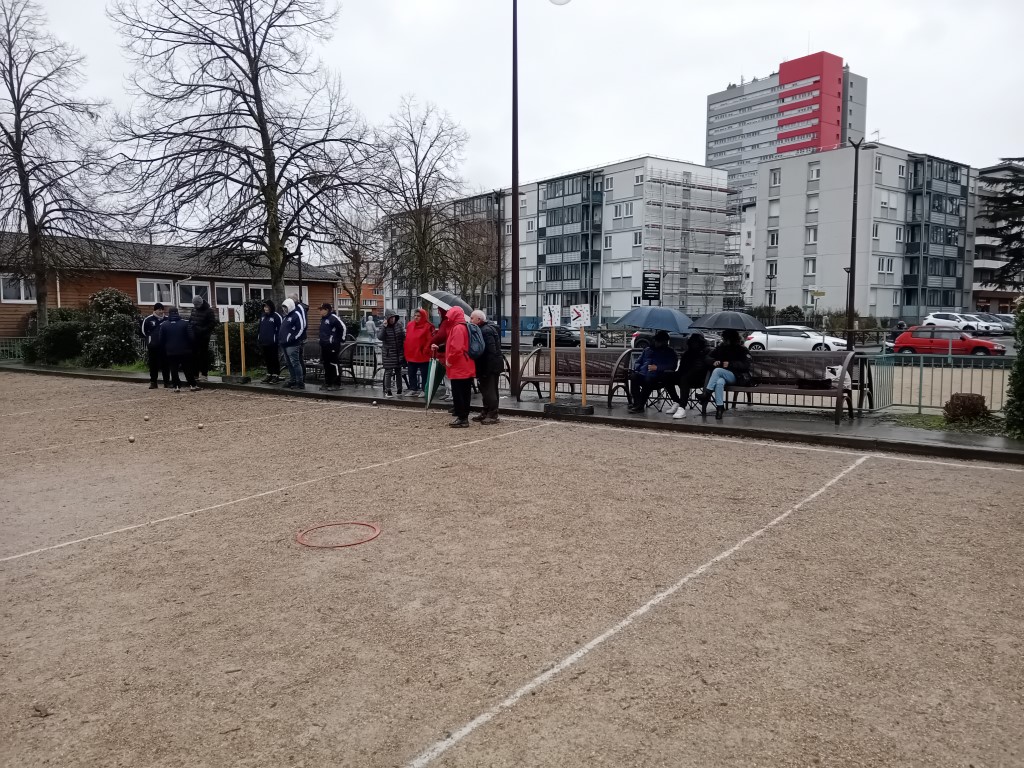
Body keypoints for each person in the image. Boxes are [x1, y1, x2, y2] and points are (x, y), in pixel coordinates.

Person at [698, 328, 752, 420]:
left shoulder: (742, 349)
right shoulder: (720, 348)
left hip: (737, 377)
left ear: (731, 339)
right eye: (723, 339)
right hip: (722, 376)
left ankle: (706, 394)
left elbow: (746, 365)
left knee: (717, 371)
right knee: (719, 382)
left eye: (725, 339)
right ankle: (720, 408)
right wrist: (713, 362)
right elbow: (707, 358)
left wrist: (731, 364)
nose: (723, 341)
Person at [433, 306, 474, 427]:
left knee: (459, 392)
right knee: (465, 392)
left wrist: (449, 360)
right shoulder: (463, 326)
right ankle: (463, 415)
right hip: (465, 365)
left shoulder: (457, 328)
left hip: (459, 366)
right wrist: (440, 347)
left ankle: (462, 417)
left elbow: (456, 348)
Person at [627, 330, 678, 414]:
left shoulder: (670, 352)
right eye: (657, 341)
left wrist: (657, 367)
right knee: (633, 377)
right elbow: (638, 362)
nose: (657, 343)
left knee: (648, 380)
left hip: (658, 376)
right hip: (643, 373)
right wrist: (638, 368)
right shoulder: (647, 350)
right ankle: (637, 402)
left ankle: (640, 405)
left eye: (660, 341)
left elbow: (672, 366)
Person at [471, 310, 503, 424]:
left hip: (489, 365)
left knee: (490, 390)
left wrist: (486, 367)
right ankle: (487, 411)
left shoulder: (485, 331)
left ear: (478, 320)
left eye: (472, 318)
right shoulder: (485, 329)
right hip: (488, 364)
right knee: (485, 390)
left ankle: (493, 413)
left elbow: (491, 351)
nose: (470, 320)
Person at [160, 307, 200, 392]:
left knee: (173, 369)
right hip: (185, 350)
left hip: (171, 350)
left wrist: (165, 348)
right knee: (187, 368)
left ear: (169, 313)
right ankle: (192, 385)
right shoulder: (185, 324)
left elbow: (161, 339)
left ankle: (176, 386)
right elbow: (191, 337)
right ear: (177, 313)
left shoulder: (164, 325)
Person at [671, 332, 710, 420]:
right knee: (667, 376)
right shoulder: (687, 353)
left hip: (700, 379)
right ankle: (676, 401)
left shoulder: (705, 352)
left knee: (684, 379)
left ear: (700, 343)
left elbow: (700, 368)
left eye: (696, 342)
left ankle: (682, 407)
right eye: (692, 342)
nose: (694, 344)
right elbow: (681, 368)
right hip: (685, 375)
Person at [403, 307, 434, 397]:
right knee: (411, 373)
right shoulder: (410, 325)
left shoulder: (428, 326)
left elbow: (429, 340)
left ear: (423, 317)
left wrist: (425, 350)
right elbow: (407, 338)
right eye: (415, 315)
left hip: (422, 355)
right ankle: (413, 388)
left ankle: (424, 389)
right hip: (411, 354)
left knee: (424, 374)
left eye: (418, 316)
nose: (416, 317)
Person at [376, 309, 405, 397]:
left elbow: (403, 336)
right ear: (387, 318)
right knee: (388, 371)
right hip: (388, 353)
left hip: (398, 352)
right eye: (390, 318)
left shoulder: (398, 325)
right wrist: (384, 327)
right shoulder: (383, 326)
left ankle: (399, 389)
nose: (392, 320)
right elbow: (380, 337)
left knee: (398, 371)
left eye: (393, 318)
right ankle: (388, 390)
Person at [278, 298, 305, 389]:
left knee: (295, 363)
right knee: (289, 363)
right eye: (283, 307)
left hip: (293, 344)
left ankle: (299, 382)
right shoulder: (285, 316)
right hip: (284, 343)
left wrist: (293, 338)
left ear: (290, 306)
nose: (284, 309)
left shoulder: (296, 315)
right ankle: (292, 380)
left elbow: (301, 328)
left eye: (286, 307)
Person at [318, 303, 347, 391]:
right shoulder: (323, 319)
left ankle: (336, 383)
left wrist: (341, 339)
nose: (320, 311)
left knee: (333, 363)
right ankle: (328, 382)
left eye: (321, 309)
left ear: (326, 310)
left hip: (333, 345)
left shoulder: (333, 318)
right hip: (324, 345)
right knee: (326, 364)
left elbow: (343, 327)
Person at [140, 302, 169, 389]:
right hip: (153, 346)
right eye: (159, 309)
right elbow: (143, 331)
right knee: (153, 364)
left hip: (164, 346)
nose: (161, 311)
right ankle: (153, 382)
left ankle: (166, 382)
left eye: (162, 309)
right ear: (155, 310)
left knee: (166, 364)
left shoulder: (167, 319)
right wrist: (149, 339)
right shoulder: (148, 319)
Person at [430, 307, 453, 401]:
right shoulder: (449, 322)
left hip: (444, 350)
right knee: (447, 374)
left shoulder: (445, 322)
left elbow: (441, 335)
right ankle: (448, 392)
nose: (438, 313)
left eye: (439, 311)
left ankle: (450, 392)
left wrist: (433, 338)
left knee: (447, 374)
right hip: (445, 349)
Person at [257, 300, 282, 384]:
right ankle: (269, 374)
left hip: (273, 342)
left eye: (267, 307)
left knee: (274, 359)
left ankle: (276, 375)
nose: (265, 308)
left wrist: (278, 340)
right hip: (264, 342)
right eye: (264, 307)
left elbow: (280, 329)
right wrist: (259, 338)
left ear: (271, 307)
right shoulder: (262, 316)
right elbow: (259, 328)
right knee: (267, 359)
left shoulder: (276, 316)